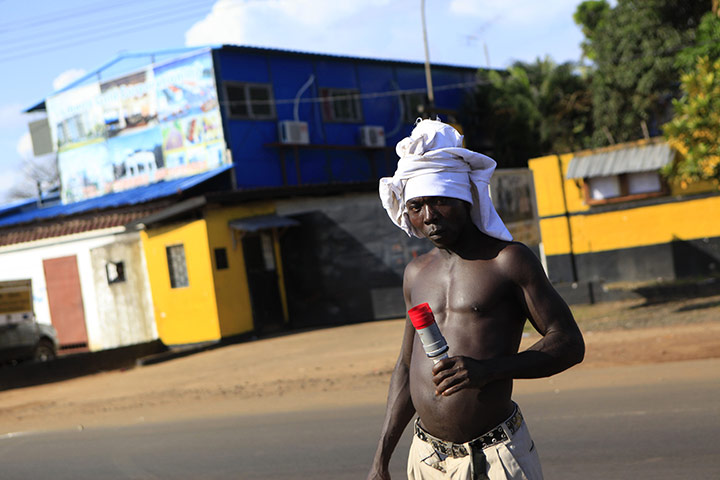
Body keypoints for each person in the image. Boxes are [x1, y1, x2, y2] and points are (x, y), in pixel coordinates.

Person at [368, 119, 585, 480]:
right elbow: (406, 368)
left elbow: (568, 343)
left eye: (440, 201)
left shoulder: (508, 261)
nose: (429, 216)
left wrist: (488, 371)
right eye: (417, 206)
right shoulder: (416, 274)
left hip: (495, 456)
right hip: (426, 460)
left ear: (465, 197)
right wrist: (381, 459)